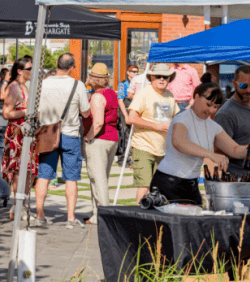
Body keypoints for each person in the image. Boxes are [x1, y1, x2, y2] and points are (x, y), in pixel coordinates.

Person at [151, 83, 248, 204]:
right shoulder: (182, 118)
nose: (211, 110)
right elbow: (179, 142)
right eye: (208, 104)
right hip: (168, 181)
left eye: (215, 107)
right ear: (196, 97)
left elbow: (235, 150)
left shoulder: (212, 125)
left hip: (191, 183)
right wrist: (211, 155)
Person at [35, 53, 91, 229]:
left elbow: (34, 109)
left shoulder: (42, 84)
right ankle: (70, 217)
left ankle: (39, 214)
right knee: (71, 178)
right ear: (72, 68)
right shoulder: (78, 85)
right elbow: (86, 112)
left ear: (57, 65)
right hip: (70, 133)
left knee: (43, 175)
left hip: (47, 133)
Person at [128, 64, 181, 203]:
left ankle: (155, 220)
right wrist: (156, 126)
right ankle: (140, 217)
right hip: (143, 146)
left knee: (159, 188)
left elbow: (176, 117)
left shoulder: (170, 96)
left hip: (163, 149)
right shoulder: (143, 93)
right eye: (158, 76)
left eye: (165, 77)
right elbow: (131, 118)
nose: (162, 79)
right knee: (144, 185)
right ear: (151, 77)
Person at [214, 65, 250, 174]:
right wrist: (247, 150)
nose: (248, 90)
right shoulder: (225, 114)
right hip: (239, 180)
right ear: (234, 84)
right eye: (243, 85)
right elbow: (219, 152)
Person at [82, 63, 119, 224]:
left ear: (93, 78)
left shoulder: (97, 97)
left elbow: (97, 123)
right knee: (101, 178)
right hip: (112, 139)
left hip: (99, 140)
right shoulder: (111, 93)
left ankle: (104, 215)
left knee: (98, 179)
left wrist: (88, 138)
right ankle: (97, 213)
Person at [1, 58, 37, 221]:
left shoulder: (24, 86)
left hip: (26, 133)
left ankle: (21, 205)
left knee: (28, 170)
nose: (31, 71)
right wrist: (25, 112)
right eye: (29, 68)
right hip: (17, 134)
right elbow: (6, 113)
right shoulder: (14, 88)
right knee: (18, 171)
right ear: (20, 71)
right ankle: (17, 205)